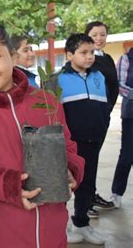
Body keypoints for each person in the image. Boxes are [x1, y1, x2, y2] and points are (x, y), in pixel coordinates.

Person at [0, 22, 84, 248]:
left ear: (12, 56)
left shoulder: (46, 101)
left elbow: (68, 147)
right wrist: (9, 186)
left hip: (51, 231)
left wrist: (71, 169)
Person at [51, 33, 109, 244]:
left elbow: (104, 106)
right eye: (83, 52)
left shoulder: (98, 77)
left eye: (91, 52)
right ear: (69, 55)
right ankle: (57, 226)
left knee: (88, 183)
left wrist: (102, 128)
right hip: (69, 144)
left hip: (94, 140)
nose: (89, 57)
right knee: (62, 184)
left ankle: (81, 223)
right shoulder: (57, 80)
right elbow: (50, 115)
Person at [85, 21, 119, 215]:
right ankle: (85, 203)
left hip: (104, 116)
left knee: (94, 158)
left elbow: (113, 86)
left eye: (102, 34)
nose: (99, 38)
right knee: (88, 159)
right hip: (91, 117)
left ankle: (92, 194)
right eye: (94, 34)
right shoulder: (88, 61)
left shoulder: (106, 58)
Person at [110, 47, 133, 209]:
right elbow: (119, 85)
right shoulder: (126, 59)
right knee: (127, 155)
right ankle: (117, 193)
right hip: (131, 113)